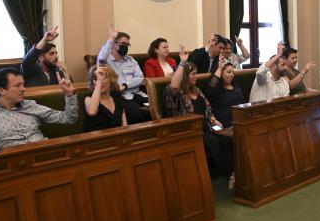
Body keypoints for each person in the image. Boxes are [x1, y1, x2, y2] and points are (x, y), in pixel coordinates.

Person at [0, 67, 78, 155]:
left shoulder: (30, 105)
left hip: (44, 153)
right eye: (17, 85)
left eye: (23, 85)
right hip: (13, 161)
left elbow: (68, 118)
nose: (23, 89)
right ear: (1, 90)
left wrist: (69, 95)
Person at [164, 46, 232, 179]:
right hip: (189, 130)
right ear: (185, 76)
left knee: (226, 138)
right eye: (193, 74)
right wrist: (183, 62)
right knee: (213, 141)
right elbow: (174, 86)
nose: (196, 76)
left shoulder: (197, 90)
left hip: (207, 126)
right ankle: (229, 174)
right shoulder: (175, 93)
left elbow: (208, 109)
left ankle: (231, 172)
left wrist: (213, 119)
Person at [97, 23, 149, 123]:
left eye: (127, 45)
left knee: (158, 108)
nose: (126, 47)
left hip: (138, 94)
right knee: (136, 115)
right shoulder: (106, 61)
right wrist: (111, 38)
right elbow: (101, 57)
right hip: (122, 96)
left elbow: (141, 78)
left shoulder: (130, 59)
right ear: (114, 44)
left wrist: (125, 85)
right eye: (123, 44)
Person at [84, 65, 128, 132]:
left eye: (103, 77)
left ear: (111, 80)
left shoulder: (117, 96)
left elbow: (124, 126)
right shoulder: (88, 98)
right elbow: (92, 112)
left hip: (117, 139)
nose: (100, 80)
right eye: (95, 79)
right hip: (97, 140)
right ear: (93, 83)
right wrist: (99, 81)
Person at [205, 58, 245, 128]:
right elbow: (211, 88)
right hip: (223, 125)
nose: (232, 75)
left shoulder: (235, 86)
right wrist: (220, 68)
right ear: (221, 73)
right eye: (229, 72)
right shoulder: (215, 88)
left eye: (233, 72)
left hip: (239, 123)